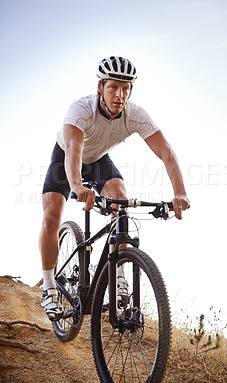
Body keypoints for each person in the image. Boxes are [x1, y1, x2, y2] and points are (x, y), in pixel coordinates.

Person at [39, 56, 190, 319]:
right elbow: (74, 148)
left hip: (99, 161)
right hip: (67, 157)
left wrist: (180, 192)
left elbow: (166, 151)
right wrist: (76, 185)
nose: (120, 95)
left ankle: (118, 269)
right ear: (100, 87)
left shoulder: (135, 115)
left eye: (125, 88)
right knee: (51, 216)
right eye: (113, 87)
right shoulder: (81, 109)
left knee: (121, 200)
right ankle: (49, 285)